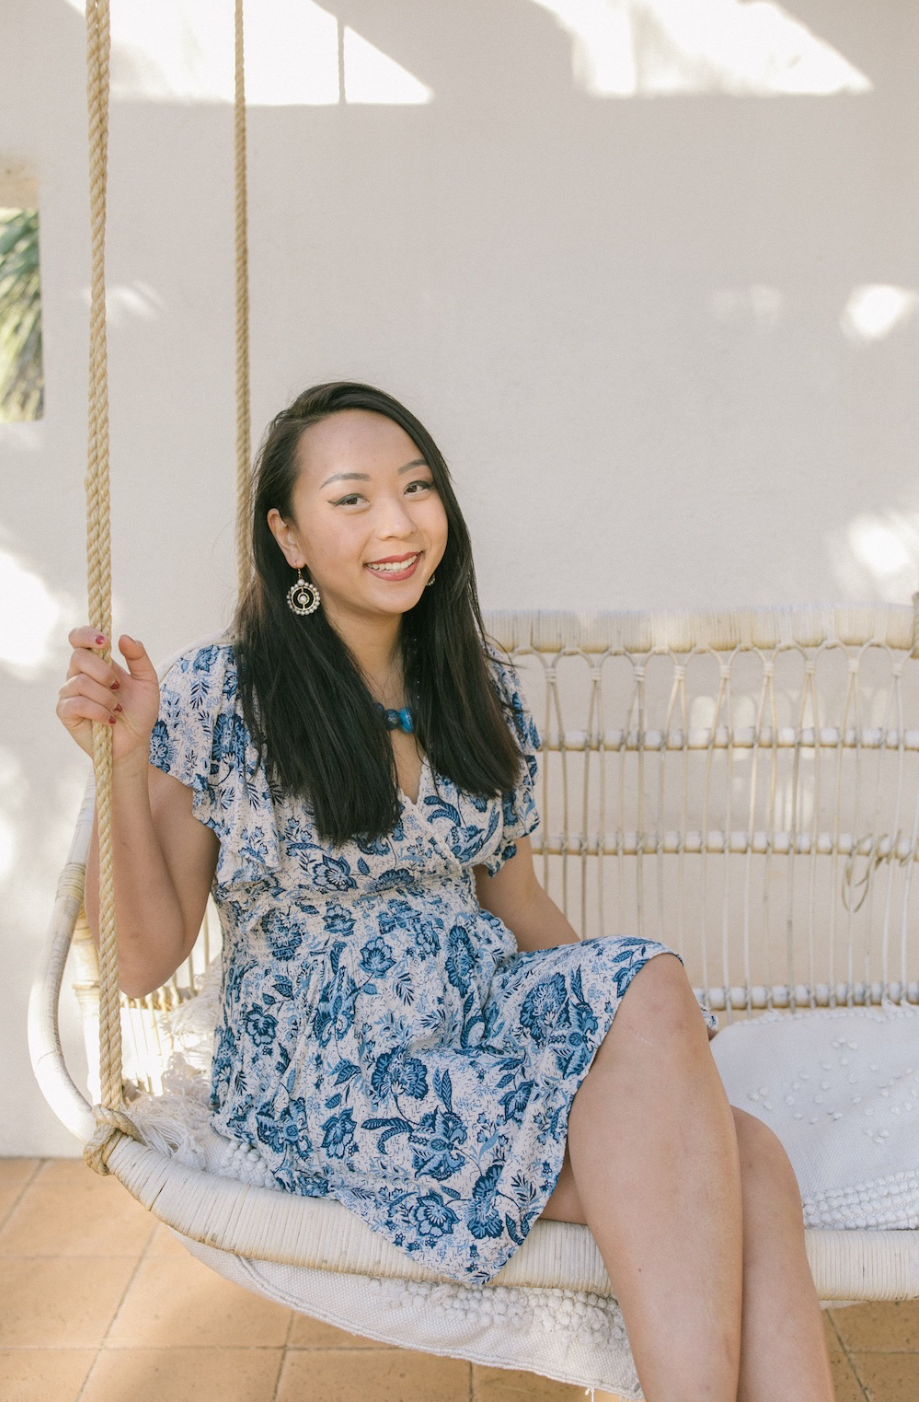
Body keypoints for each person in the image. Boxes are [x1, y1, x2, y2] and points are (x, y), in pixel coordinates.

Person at [57, 380, 835, 1401]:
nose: (397, 522)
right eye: (352, 498)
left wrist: (657, 1050)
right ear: (287, 537)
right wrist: (119, 764)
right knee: (733, 1166)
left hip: (474, 1031)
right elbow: (143, 960)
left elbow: (520, 905)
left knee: (719, 1103)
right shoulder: (224, 694)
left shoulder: (474, 685)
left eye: (416, 488)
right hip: (335, 1077)